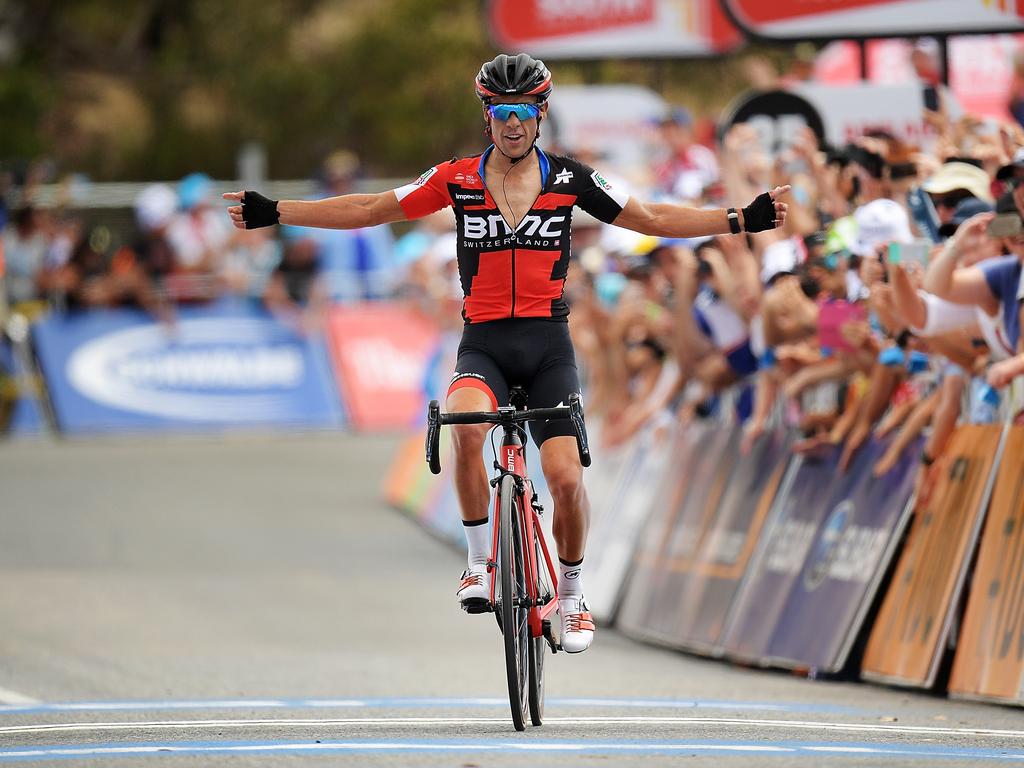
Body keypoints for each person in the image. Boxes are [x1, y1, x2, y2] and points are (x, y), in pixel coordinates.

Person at [224, 53, 788, 654]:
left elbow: (648, 216)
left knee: (567, 480)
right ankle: (478, 561)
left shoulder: (572, 179)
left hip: (548, 346)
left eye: (522, 111)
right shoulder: (455, 178)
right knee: (466, 427)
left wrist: (738, 219)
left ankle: (571, 596)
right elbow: (370, 208)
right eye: (500, 111)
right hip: (485, 342)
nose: (511, 122)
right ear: (487, 116)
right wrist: (275, 213)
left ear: (540, 115)